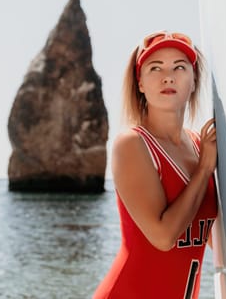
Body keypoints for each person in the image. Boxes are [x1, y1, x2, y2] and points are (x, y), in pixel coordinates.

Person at [93, 31, 218, 299]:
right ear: (140, 83)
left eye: (180, 67)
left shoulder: (200, 145)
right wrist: (206, 167)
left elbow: (215, 241)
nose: (168, 76)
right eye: (155, 67)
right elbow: (163, 237)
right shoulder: (132, 144)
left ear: (194, 80)